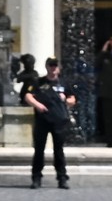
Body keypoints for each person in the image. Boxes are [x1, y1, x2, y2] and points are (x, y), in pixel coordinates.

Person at [23, 57, 76, 190]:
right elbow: (28, 95)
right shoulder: (38, 82)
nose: (53, 68)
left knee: (59, 151)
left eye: (55, 66)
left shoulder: (64, 83)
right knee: (39, 150)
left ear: (58, 68)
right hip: (42, 120)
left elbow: (73, 98)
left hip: (59, 120)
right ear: (47, 67)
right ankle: (36, 178)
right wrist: (37, 105)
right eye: (51, 65)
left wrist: (68, 100)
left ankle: (62, 178)